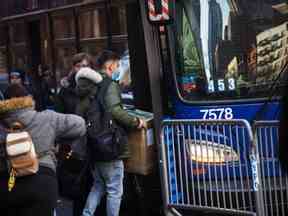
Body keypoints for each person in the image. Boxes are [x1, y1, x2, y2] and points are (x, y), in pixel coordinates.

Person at [0, 83, 86, 216]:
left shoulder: (2, 123)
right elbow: (79, 125)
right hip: (43, 182)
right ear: (28, 99)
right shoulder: (46, 118)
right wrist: (58, 140)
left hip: (8, 184)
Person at [81, 50, 145, 216]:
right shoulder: (109, 84)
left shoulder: (90, 84)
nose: (118, 68)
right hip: (109, 144)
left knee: (98, 185)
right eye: (117, 65)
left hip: (93, 142)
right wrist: (136, 121)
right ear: (110, 66)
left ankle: (86, 214)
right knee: (114, 190)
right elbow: (115, 110)